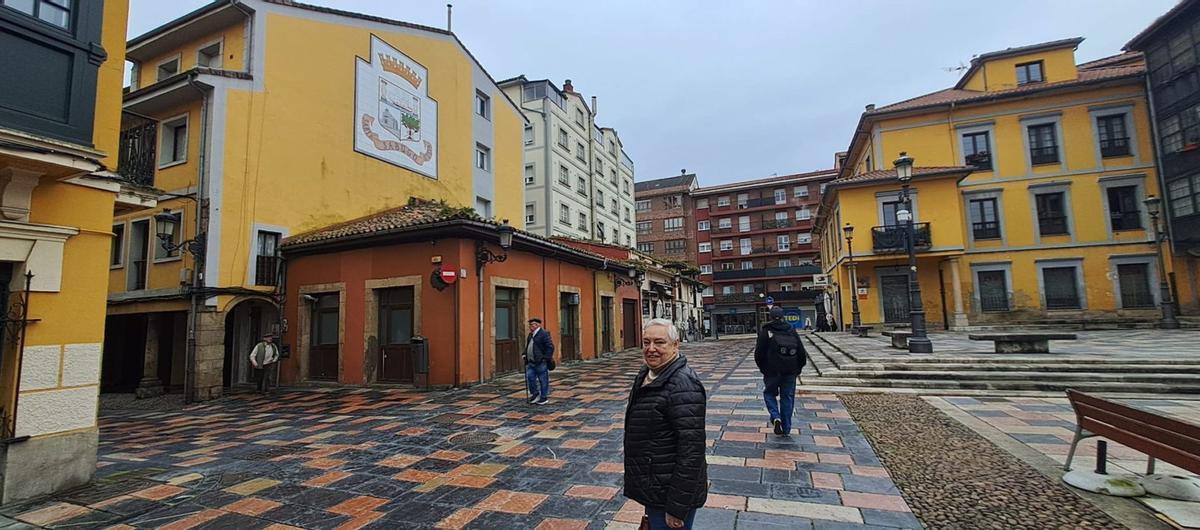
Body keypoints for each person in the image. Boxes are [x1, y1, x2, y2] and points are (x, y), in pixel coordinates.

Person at [624, 318, 708, 530]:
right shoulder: (647, 374)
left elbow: (692, 452)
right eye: (646, 342)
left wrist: (677, 507)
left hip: (671, 495)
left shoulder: (683, 385)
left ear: (675, 345)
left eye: (659, 342)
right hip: (655, 486)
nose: (651, 348)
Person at [754, 306, 807, 436]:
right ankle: (786, 428)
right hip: (790, 371)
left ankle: (775, 416)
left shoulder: (766, 331)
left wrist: (763, 368)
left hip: (771, 371)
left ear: (770, 317)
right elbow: (801, 352)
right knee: (787, 397)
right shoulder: (791, 330)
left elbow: (759, 353)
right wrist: (798, 369)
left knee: (769, 394)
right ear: (783, 317)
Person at [524, 318, 554, 405]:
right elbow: (528, 346)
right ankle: (535, 394)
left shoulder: (544, 334)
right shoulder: (530, 335)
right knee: (530, 378)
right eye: (530, 325)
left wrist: (545, 358)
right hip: (531, 361)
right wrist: (524, 353)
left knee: (543, 380)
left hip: (540, 362)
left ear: (537, 325)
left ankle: (544, 397)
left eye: (532, 324)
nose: (530, 326)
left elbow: (550, 347)